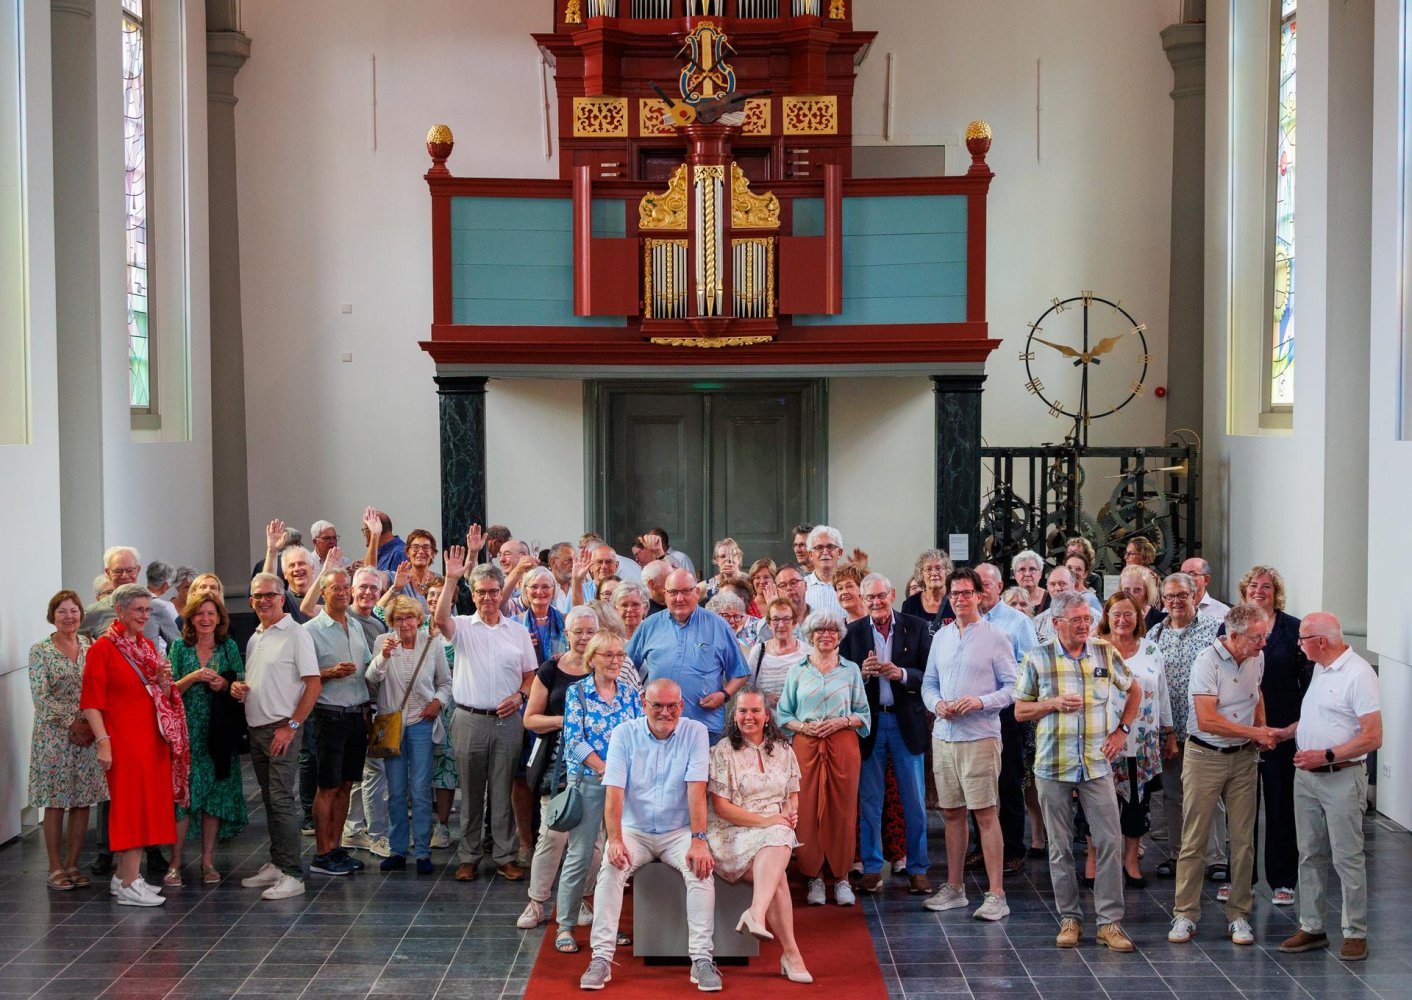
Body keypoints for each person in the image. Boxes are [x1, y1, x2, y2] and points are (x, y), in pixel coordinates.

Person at [1014, 590, 1140, 952]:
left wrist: (1122, 731)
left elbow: (1134, 691)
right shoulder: (1037, 658)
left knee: (1110, 841)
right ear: (1057, 623)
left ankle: (1109, 923)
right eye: (1077, 620)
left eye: (1088, 619)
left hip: (1096, 764)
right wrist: (1052, 703)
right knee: (1059, 847)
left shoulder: (1104, 652)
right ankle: (1070, 918)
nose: (1085, 625)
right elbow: (1020, 711)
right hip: (1053, 765)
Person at [578, 678, 720, 993]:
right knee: (610, 869)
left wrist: (699, 839)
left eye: (672, 706)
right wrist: (615, 839)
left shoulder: (695, 732)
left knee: (701, 871)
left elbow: (697, 789)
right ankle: (601, 958)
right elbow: (614, 792)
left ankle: (702, 959)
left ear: (681, 706)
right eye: (658, 705)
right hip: (634, 830)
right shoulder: (624, 734)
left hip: (678, 831)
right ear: (644, 704)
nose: (665, 712)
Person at [1168, 603, 1278, 947]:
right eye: (1257, 637)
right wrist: (1255, 733)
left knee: (1244, 840)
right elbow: (1207, 720)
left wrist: (1260, 728)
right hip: (1205, 755)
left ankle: (1239, 914)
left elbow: (1256, 692)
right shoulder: (1207, 661)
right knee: (1195, 838)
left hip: (1243, 757)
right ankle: (1185, 914)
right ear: (1234, 635)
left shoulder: (1257, 656)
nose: (1263, 643)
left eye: (1265, 636)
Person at [1275, 612, 1382, 962]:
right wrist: (1287, 733)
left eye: (1303, 639)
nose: (1298, 645)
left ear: (1320, 641)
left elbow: (1372, 737)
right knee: (1309, 853)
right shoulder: (1320, 669)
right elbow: (1319, 717)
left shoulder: (1358, 675)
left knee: (1347, 856)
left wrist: (1326, 755)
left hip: (1341, 777)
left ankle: (1355, 932)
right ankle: (1312, 926)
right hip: (1307, 777)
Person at [436, 536, 538, 882]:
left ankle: (505, 856)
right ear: (473, 593)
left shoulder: (517, 631)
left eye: (494, 592)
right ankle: (468, 856)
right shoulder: (463, 626)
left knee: (503, 791)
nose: (489, 598)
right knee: (471, 791)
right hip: (469, 719)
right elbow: (440, 620)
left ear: (501, 593)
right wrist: (451, 579)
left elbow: (530, 675)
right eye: (481, 592)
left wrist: (521, 696)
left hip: (508, 721)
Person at [80, 583, 188, 907]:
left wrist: (165, 681)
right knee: (131, 810)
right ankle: (129, 882)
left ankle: (124, 876)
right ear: (120, 611)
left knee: (147, 808)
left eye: (147, 610)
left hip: (150, 740)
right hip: (124, 742)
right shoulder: (103, 648)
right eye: (138, 610)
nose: (145, 616)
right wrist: (103, 742)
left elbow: (159, 695)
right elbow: (90, 703)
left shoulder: (145, 645)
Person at [920, 567, 1017, 920]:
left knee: (986, 813)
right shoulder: (942, 636)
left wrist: (979, 702)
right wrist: (937, 704)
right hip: (944, 736)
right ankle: (955, 888)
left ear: (979, 595)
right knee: (951, 813)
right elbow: (928, 683)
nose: (960, 599)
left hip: (980, 736)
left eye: (966, 593)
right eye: (954, 594)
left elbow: (1013, 687)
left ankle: (996, 895)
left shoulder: (997, 636)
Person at [706, 687, 812, 983]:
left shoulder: (783, 749)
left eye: (755, 711)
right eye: (742, 711)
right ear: (734, 716)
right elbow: (721, 808)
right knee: (777, 871)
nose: (748, 716)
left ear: (767, 716)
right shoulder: (723, 751)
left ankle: (758, 914)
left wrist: (790, 813)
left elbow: (792, 795)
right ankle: (789, 953)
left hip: (774, 831)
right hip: (732, 831)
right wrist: (768, 821)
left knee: (780, 835)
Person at [843, 573, 934, 896]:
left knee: (914, 800)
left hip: (905, 721)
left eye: (881, 596)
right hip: (870, 725)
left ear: (892, 594)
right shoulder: (853, 633)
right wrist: (862, 675)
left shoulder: (916, 627)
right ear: (863, 600)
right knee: (870, 800)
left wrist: (902, 674)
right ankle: (871, 868)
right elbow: (842, 680)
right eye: (870, 598)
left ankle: (918, 869)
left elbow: (930, 675)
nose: (876, 602)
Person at [235, 573, 321, 900]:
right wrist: (241, 688)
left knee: (282, 800)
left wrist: (292, 726)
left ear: (282, 598)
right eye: (258, 596)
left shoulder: (297, 634)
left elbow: (313, 684)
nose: (264, 600)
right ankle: (278, 862)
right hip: (257, 728)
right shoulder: (255, 636)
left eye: (270, 595)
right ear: (251, 601)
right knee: (270, 800)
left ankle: (292, 874)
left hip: (282, 729)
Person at [777, 608, 870, 907]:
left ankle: (841, 877)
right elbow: (783, 714)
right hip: (806, 747)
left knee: (842, 810)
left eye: (831, 630)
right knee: (805, 811)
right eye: (820, 630)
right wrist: (805, 727)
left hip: (843, 746)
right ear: (810, 635)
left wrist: (842, 721)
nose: (826, 635)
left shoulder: (851, 670)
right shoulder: (798, 670)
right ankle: (813, 877)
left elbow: (863, 714)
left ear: (839, 636)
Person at [518, 605, 600, 945]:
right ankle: (537, 902)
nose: (584, 637)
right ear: (566, 633)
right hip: (558, 767)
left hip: (597, 766)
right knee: (552, 836)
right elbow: (530, 719)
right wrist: (565, 721)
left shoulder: (606, 666)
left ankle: (581, 899)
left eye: (590, 631)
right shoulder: (551, 670)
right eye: (578, 631)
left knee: (593, 843)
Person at [556, 632, 642, 953]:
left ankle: (609, 926)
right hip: (589, 782)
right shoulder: (577, 692)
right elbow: (574, 741)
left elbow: (639, 735)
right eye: (608, 655)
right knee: (580, 855)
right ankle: (565, 926)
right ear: (591, 659)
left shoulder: (630, 694)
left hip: (623, 787)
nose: (616, 661)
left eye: (620, 655)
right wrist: (607, 768)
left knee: (615, 857)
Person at [1238, 564, 1312, 907]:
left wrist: (1293, 728)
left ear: (1276, 592)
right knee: (1242, 809)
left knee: (1281, 805)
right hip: (1242, 729)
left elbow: (1308, 684)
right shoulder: (1233, 625)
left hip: (1282, 731)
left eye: (1266, 586)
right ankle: (1242, 879)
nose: (1259, 591)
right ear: (1245, 590)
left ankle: (1283, 880)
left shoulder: (1293, 628)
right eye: (1253, 585)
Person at [1089, 592, 1175, 888]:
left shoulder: (1151, 649)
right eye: (1117, 614)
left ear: (1138, 617)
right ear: (1107, 617)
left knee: (1138, 806)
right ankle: (1095, 859)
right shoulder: (1094, 649)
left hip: (1142, 740)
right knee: (1098, 804)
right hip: (1102, 741)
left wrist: (1169, 732)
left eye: (1129, 613)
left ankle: (1131, 861)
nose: (1123, 620)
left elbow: (1162, 693)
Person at [167, 593, 248, 886]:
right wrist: (194, 677)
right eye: (200, 613)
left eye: (211, 614)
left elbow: (240, 682)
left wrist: (225, 683)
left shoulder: (228, 647)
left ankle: (208, 861)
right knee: (183, 798)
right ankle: (175, 863)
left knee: (214, 795)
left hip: (219, 733)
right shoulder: (179, 647)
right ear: (190, 618)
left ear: (219, 618)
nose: (205, 619)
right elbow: (168, 691)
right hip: (187, 733)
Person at [366, 596, 452, 874]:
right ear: (392, 622)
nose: (405, 624)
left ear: (419, 619)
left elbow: (445, 682)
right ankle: (398, 849)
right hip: (392, 724)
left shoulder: (432, 642)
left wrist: (438, 702)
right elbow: (372, 677)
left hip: (422, 723)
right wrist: (383, 656)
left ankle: (423, 852)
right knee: (396, 790)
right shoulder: (383, 642)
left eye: (409, 618)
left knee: (421, 789)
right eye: (398, 619)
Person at [1148, 572, 1225, 879]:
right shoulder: (1155, 634)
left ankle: (1215, 858)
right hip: (1169, 729)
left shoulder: (1215, 629)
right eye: (1169, 596)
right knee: (1173, 794)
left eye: (1182, 595)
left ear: (1194, 595)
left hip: (1204, 728)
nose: (1176, 601)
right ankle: (1179, 855)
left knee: (1209, 794)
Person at [28, 590, 107, 891]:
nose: (69, 616)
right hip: (54, 736)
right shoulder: (40, 651)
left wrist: (90, 725)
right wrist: (73, 723)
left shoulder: (91, 646)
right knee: (55, 801)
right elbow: (41, 698)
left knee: (82, 799)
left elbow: (102, 686)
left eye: (73, 611)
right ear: (53, 616)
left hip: (88, 732)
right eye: (62, 611)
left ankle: (73, 864)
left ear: (81, 614)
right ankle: (55, 866)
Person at [626, 568, 750, 743]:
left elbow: (741, 672)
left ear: (697, 592)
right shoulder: (649, 626)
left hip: (705, 727)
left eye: (685, 591)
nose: (679, 598)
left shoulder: (718, 625)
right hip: (659, 727)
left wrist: (724, 695)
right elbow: (626, 667)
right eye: (673, 592)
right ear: (665, 594)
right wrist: (640, 697)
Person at [304, 568, 374, 877]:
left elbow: (368, 665)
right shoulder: (310, 630)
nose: (343, 592)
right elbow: (300, 675)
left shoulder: (355, 625)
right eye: (336, 588)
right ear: (323, 592)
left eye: (346, 587)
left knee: (346, 784)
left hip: (357, 714)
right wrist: (329, 672)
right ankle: (321, 854)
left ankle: (335, 847)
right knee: (328, 787)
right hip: (329, 715)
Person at [974, 562, 1038, 875]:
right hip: (974, 712)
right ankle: (980, 847)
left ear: (999, 587)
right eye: (976, 585)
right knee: (977, 781)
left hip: (1007, 712)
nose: (980, 591)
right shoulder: (968, 620)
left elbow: (1032, 665)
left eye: (985, 584)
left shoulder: (1017, 621)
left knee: (1008, 781)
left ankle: (1013, 849)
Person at [745, 597, 811, 708]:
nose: (781, 625)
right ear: (769, 624)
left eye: (786, 619)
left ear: (794, 623)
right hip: (766, 716)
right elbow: (747, 688)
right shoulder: (758, 652)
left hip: (798, 716)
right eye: (775, 620)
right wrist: (764, 698)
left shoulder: (808, 652)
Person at [80, 545, 143, 637]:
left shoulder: (155, 607)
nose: (124, 576)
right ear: (108, 573)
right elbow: (71, 639)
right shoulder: (95, 612)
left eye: (130, 570)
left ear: (138, 570)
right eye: (118, 571)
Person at [899, 548, 952, 632]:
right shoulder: (910, 605)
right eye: (928, 569)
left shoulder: (956, 601)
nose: (934, 573)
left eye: (938, 568)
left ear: (946, 571)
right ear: (921, 574)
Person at [803, 525, 845, 615]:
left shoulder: (850, 587)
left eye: (830, 547)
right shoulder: (801, 587)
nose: (825, 552)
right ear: (811, 555)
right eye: (819, 548)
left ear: (840, 553)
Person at [143, 560, 182, 651]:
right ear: (165, 585)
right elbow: (176, 639)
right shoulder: (165, 607)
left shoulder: (133, 601)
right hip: (158, 655)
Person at [1031, 566, 1075, 643]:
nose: (1057, 588)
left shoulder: (1093, 617)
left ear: (1074, 585)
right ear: (1047, 587)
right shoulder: (1038, 622)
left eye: (1062, 584)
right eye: (1052, 584)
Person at [362, 506, 408, 573]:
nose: (364, 535)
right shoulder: (381, 552)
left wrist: (374, 534)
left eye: (365, 530)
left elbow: (369, 575)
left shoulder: (399, 553)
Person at [1118, 563, 1161, 631]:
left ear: (1147, 591)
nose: (1131, 594)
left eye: (1137, 590)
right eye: (1127, 589)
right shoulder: (1113, 617)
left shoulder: (1159, 620)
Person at [1065, 550, 1104, 615]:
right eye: (1069, 568)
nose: (1073, 572)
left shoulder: (1090, 599)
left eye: (1078, 569)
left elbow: (1099, 620)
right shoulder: (1060, 595)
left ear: (1085, 574)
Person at [1011, 549, 1047, 614]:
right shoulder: (1006, 600)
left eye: (1032, 569)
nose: (1027, 574)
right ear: (1014, 574)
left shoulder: (1051, 599)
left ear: (1040, 574)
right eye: (1022, 569)